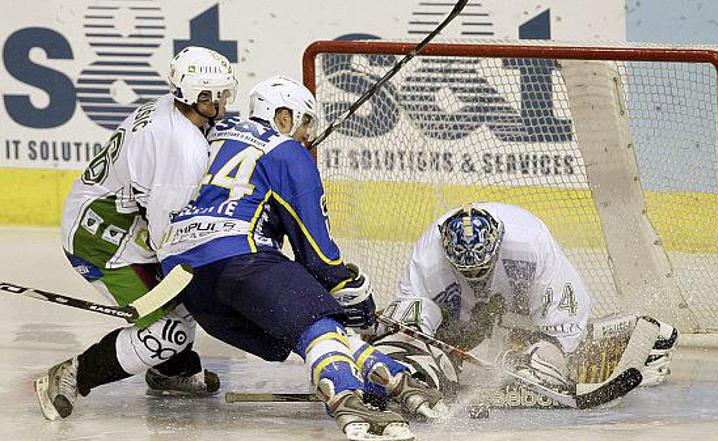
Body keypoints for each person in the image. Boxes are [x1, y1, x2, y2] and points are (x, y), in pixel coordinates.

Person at [157, 75, 446, 441]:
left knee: (304, 329)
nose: (306, 134)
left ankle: (390, 376)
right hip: (240, 257)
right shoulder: (287, 152)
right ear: (283, 116)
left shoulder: (214, 133)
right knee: (318, 319)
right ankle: (344, 394)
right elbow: (319, 256)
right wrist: (353, 290)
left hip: (187, 280)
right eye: (304, 121)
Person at [35, 46, 237, 421]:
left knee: (183, 304)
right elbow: (168, 238)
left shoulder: (171, 110)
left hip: (115, 222)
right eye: (218, 94)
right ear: (198, 96)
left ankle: (170, 370)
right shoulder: (181, 147)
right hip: (103, 242)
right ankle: (72, 374)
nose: (224, 101)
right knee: (170, 327)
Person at [371, 202, 679, 406]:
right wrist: (408, 348)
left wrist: (549, 353)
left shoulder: (530, 242)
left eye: (482, 269)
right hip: (465, 314)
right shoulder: (427, 258)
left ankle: (640, 335)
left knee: (557, 354)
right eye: (467, 271)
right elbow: (411, 320)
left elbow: (564, 314)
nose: (475, 278)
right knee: (426, 343)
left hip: (520, 299)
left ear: (499, 243)